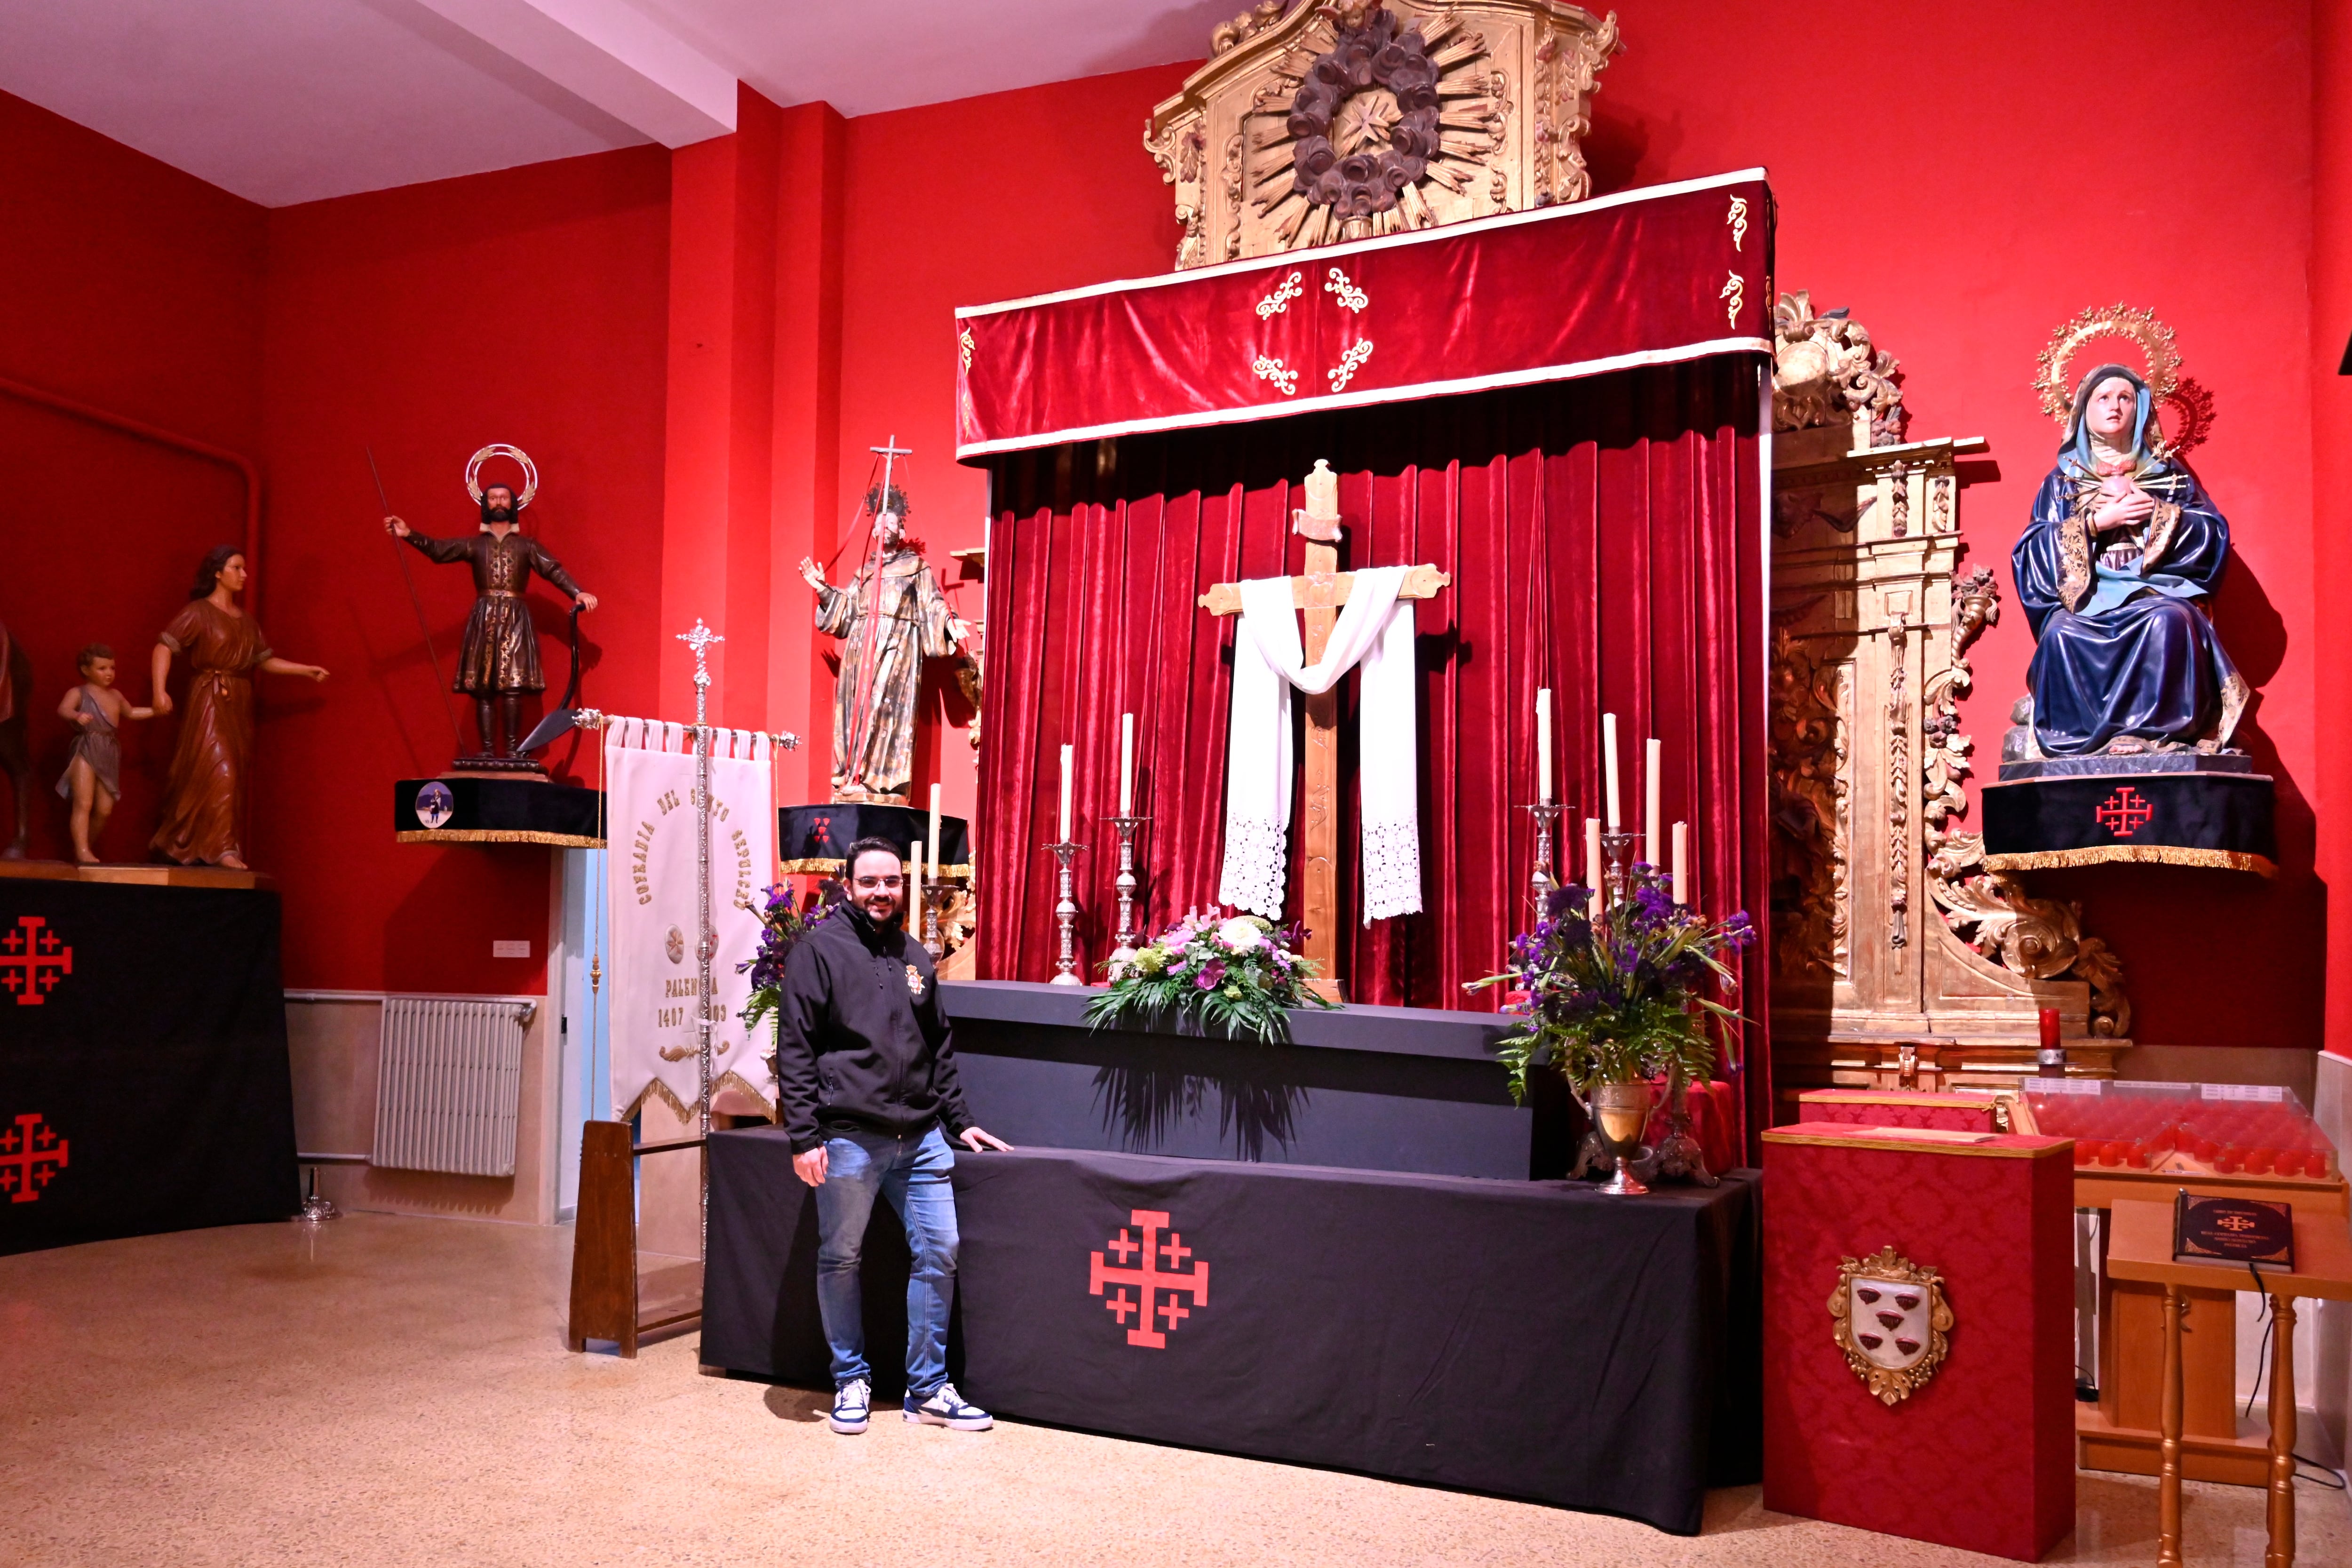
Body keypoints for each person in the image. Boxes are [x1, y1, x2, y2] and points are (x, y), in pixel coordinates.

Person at [771, 835, 1011, 1435]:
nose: (882, 893)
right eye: (870, 882)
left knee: (939, 1252)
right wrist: (804, 1137)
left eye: (892, 882)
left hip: (922, 1136)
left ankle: (927, 1389)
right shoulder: (818, 952)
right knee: (841, 1257)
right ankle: (850, 1378)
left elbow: (938, 1044)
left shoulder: (914, 953)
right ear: (848, 887)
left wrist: (959, 1120)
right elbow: (796, 1049)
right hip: (849, 1137)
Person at [2011, 364, 2246, 757]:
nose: (2115, 407)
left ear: (2140, 409)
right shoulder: (2062, 481)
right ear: (2083, 410)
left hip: (2153, 590)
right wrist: (2094, 524)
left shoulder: (2168, 474)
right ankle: (2075, 742)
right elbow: (2032, 551)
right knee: (2060, 636)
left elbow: (2213, 536)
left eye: (2125, 398)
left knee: (2170, 621)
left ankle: (2151, 733)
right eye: (2103, 398)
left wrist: (2159, 514)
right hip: (2090, 596)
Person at [385, 479, 597, 763]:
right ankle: (487, 749)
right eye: (494, 498)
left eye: (504, 498)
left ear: (513, 505)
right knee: (484, 688)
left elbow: (553, 570)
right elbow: (439, 550)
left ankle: (512, 750)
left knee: (512, 687)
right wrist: (408, 533)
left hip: (516, 617)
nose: (499, 503)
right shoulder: (475, 545)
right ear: (486, 505)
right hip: (483, 618)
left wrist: (577, 591)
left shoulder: (527, 546)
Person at [150, 548, 329, 869]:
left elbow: (264, 660)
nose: (244, 574)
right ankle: (223, 849)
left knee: (231, 772)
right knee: (221, 770)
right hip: (208, 697)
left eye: (244, 568)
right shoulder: (199, 612)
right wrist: (159, 690)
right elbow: (165, 646)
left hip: (238, 701)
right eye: (237, 567)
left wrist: (304, 669)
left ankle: (192, 840)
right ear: (218, 573)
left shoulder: (246, 621)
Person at [799, 485, 970, 803]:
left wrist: (948, 624)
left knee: (886, 709)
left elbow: (933, 606)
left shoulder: (917, 569)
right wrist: (823, 590)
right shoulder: (863, 573)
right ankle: (853, 776)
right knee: (859, 710)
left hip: (898, 652)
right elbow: (845, 613)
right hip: (861, 652)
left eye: (890, 520)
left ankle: (883, 783)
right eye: (879, 521)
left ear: (901, 527)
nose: (883, 525)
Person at [54, 644, 154, 864]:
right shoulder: (78, 693)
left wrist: (155, 711)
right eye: (102, 668)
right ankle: (82, 851)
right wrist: (76, 715)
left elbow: (131, 713)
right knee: (84, 802)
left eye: (112, 668)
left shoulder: (116, 696)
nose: (109, 673)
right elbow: (63, 709)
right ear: (86, 670)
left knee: (105, 809)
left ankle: (84, 847)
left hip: (109, 751)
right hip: (87, 747)